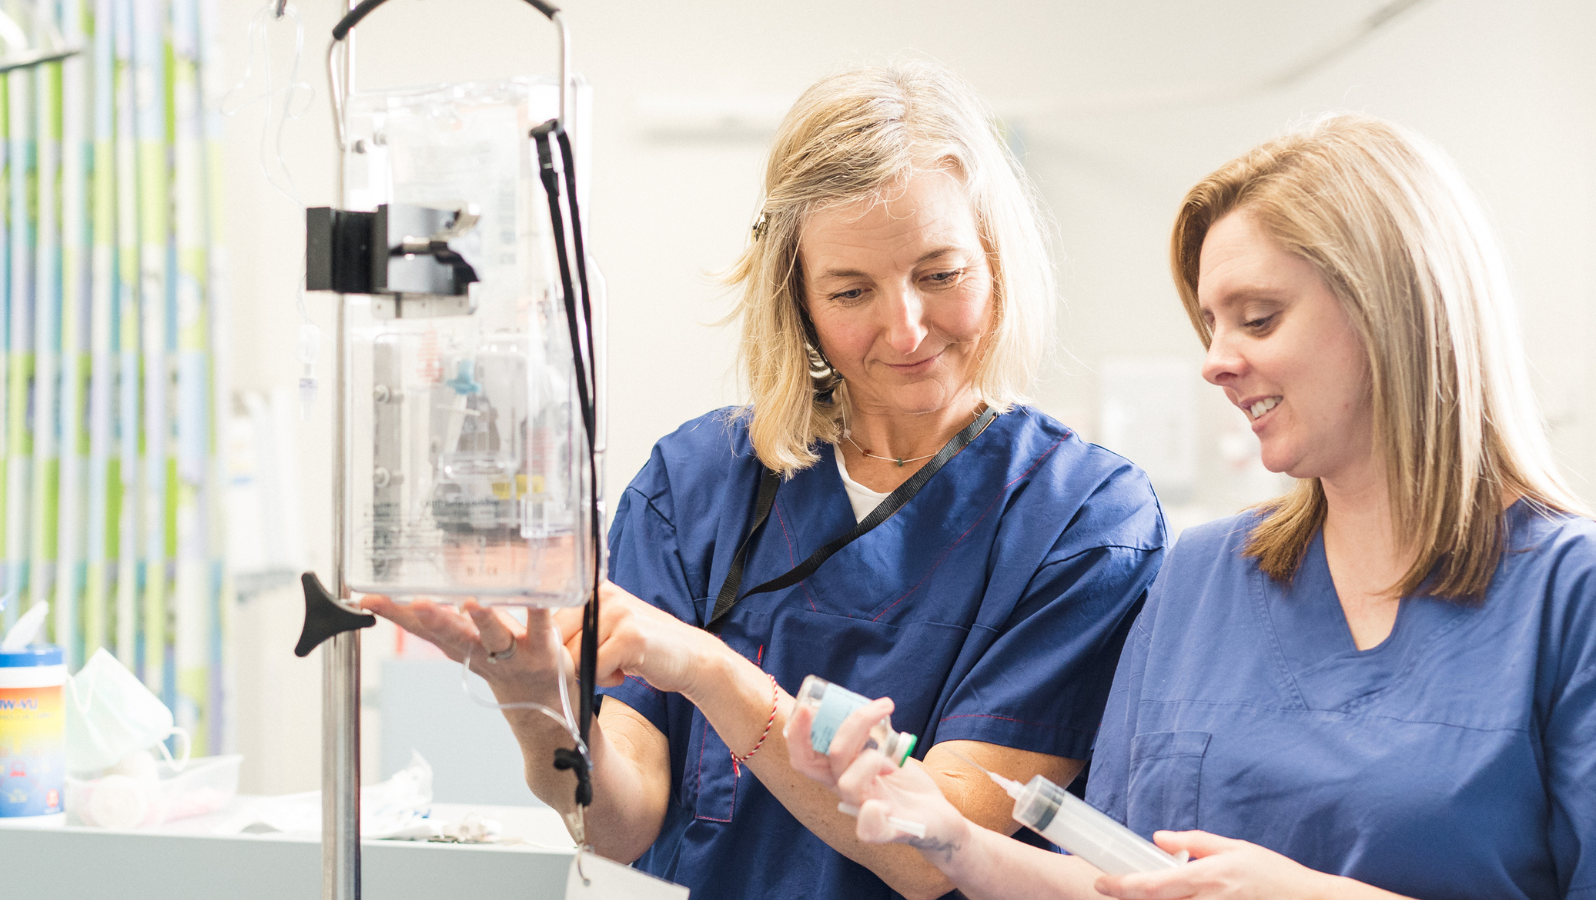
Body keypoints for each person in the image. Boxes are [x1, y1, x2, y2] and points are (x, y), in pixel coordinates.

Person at [797, 114, 1596, 900]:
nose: (1215, 359)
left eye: (1257, 318)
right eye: (1210, 323)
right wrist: (953, 841)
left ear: (1397, 311)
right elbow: (1119, 882)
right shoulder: (1201, 582)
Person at [366, 60, 1167, 900]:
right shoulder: (698, 483)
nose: (906, 327)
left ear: (997, 259)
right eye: (852, 290)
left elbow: (935, 848)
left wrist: (714, 673)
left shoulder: (1083, 519)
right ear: (799, 301)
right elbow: (622, 821)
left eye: (941, 274)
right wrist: (536, 704)